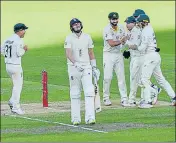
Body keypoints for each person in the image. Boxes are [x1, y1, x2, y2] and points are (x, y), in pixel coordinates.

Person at [128, 14, 176, 108]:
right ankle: (174, 97)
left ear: (144, 22)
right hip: (155, 56)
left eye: (139, 22)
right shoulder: (149, 28)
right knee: (161, 79)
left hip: (150, 57)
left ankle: (148, 101)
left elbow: (142, 48)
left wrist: (132, 46)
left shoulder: (145, 32)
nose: (138, 24)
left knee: (144, 79)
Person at [64, 18, 100, 125]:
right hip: (73, 67)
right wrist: (75, 63)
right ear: (71, 27)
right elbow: (68, 53)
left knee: (89, 91)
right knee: (75, 92)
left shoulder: (87, 37)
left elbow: (91, 52)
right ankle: (75, 118)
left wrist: (94, 67)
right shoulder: (69, 38)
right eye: (74, 25)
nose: (77, 26)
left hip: (86, 66)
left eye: (78, 24)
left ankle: (90, 117)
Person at [122, 16, 161, 107]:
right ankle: (150, 91)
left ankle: (133, 99)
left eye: (128, 23)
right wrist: (127, 50)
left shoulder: (137, 31)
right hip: (135, 57)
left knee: (136, 79)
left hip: (140, 58)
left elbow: (136, 46)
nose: (127, 25)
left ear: (133, 23)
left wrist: (126, 42)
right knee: (137, 79)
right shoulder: (132, 31)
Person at [1, 23, 28, 114]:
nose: (25, 32)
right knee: (18, 86)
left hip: (8, 65)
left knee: (15, 85)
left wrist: (7, 57)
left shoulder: (8, 39)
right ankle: (15, 107)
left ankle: (12, 101)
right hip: (15, 66)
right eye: (24, 30)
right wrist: (24, 49)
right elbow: (19, 53)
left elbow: (2, 50)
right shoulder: (19, 41)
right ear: (20, 30)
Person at [102, 12, 129, 107]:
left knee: (121, 77)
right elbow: (111, 43)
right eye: (113, 19)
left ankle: (124, 99)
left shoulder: (121, 27)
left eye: (116, 19)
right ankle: (106, 98)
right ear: (109, 20)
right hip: (108, 54)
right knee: (107, 77)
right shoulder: (106, 29)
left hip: (118, 54)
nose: (115, 21)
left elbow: (126, 37)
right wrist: (121, 41)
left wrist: (125, 40)